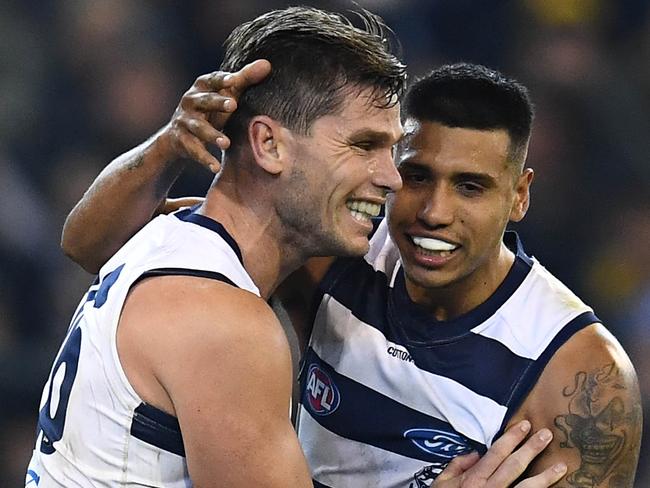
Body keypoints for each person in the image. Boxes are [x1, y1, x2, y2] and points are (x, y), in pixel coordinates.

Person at [26, 6, 568, 488]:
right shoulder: (226, 325)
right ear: (268, 144)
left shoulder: (169, 233)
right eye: (364, 146)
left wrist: (171, 142)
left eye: (392, 148)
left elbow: (82, 241)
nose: (393, 178)